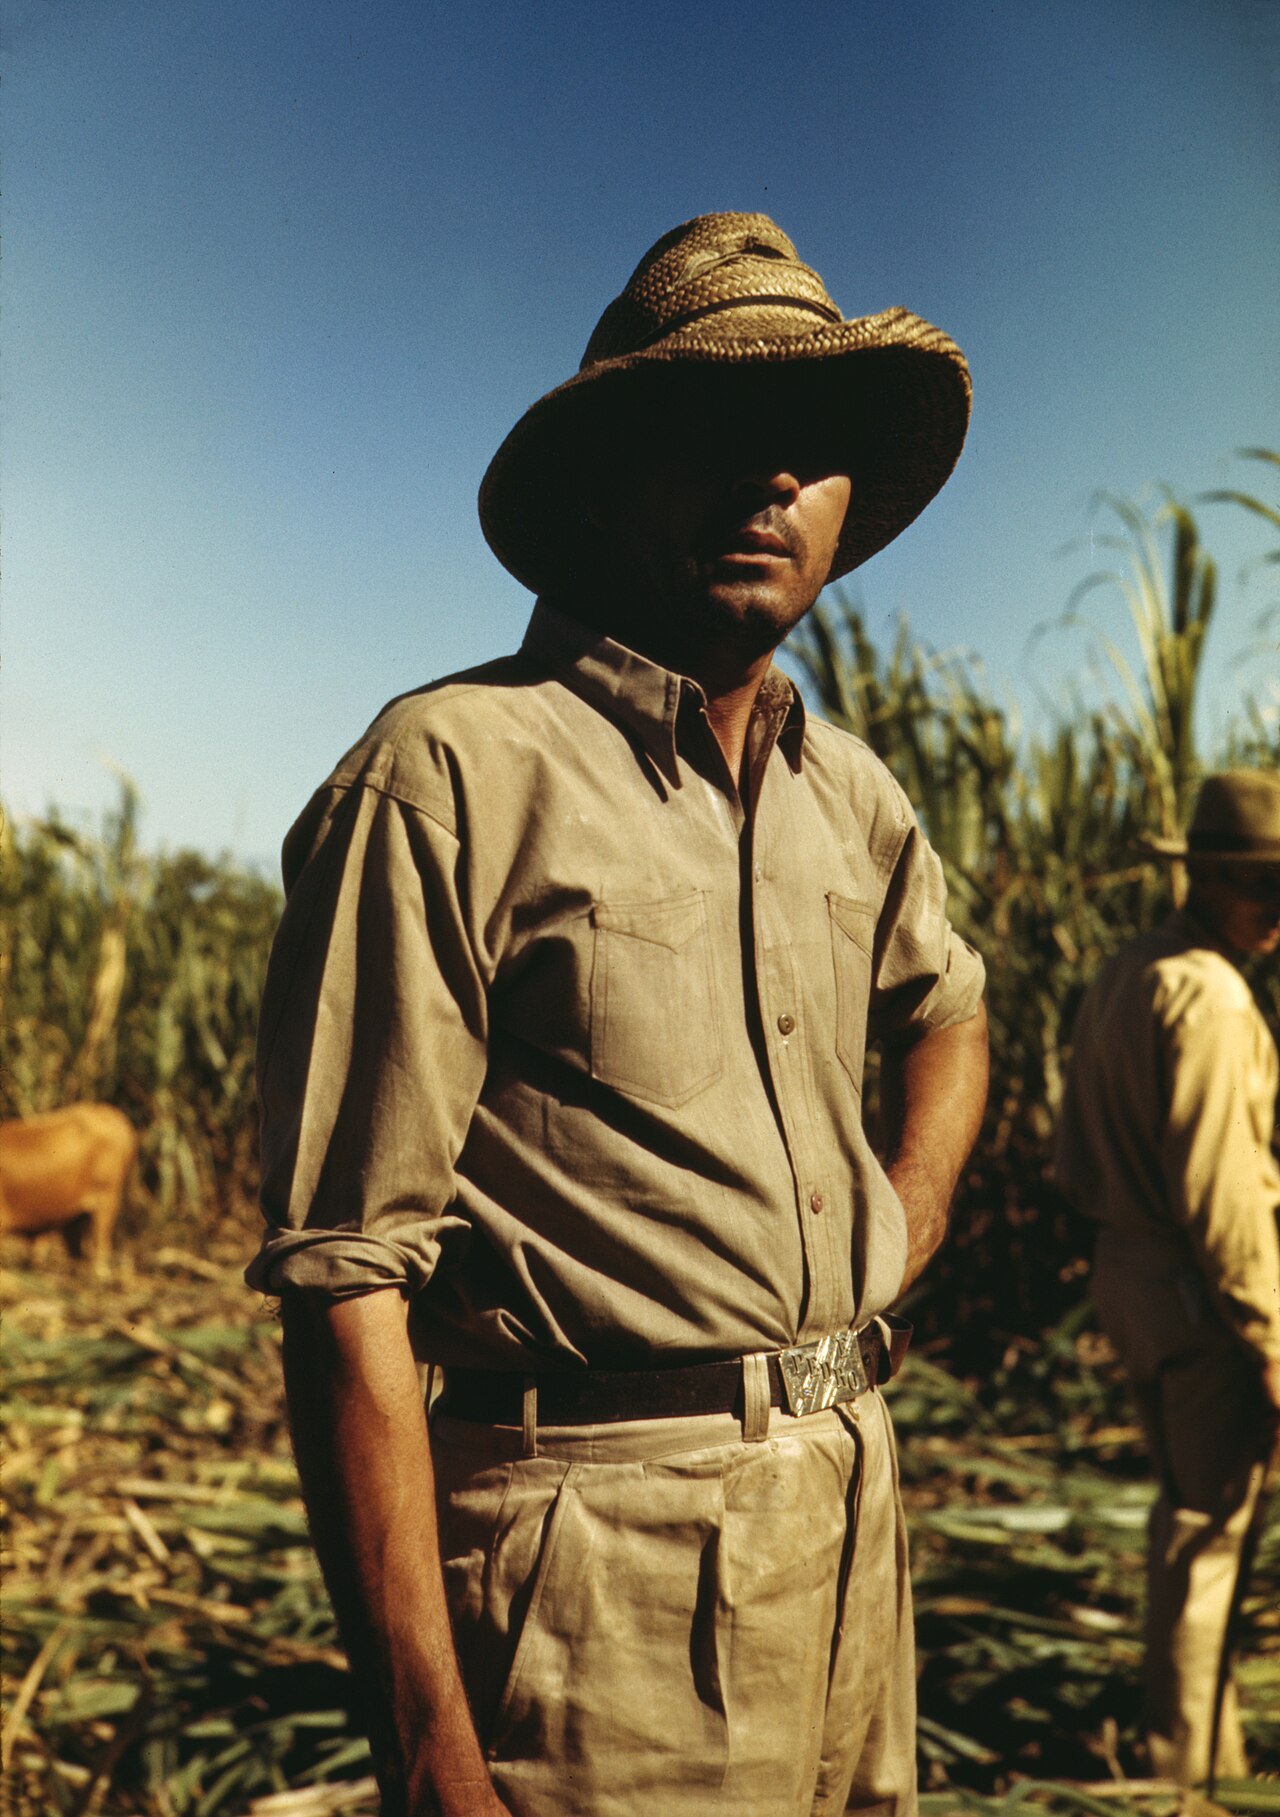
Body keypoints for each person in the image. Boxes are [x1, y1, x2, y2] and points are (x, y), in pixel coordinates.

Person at [249, 211, 989, 1817]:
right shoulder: (450, 774)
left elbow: (953, 1006)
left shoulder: (848, 793)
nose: (772, 479)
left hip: (857, 1523)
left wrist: (901, 1220)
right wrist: (433, 1751)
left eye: (813, 443)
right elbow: (344, 1278)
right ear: (607, 474)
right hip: (602, 1585)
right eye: (718, 431)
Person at [1055, 770, 1280, 1787]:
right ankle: (1183, 1782)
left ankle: (1202, 1753)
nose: (1273, 915)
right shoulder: (1211, 996)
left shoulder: (1123, 970)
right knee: (1207, 1540)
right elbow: (1225, 1205)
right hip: (1196, 1298)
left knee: (1185, 1513)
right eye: (1259, 887)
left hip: (1128, 1279)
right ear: (1213, 877)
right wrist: (1271, 1340)